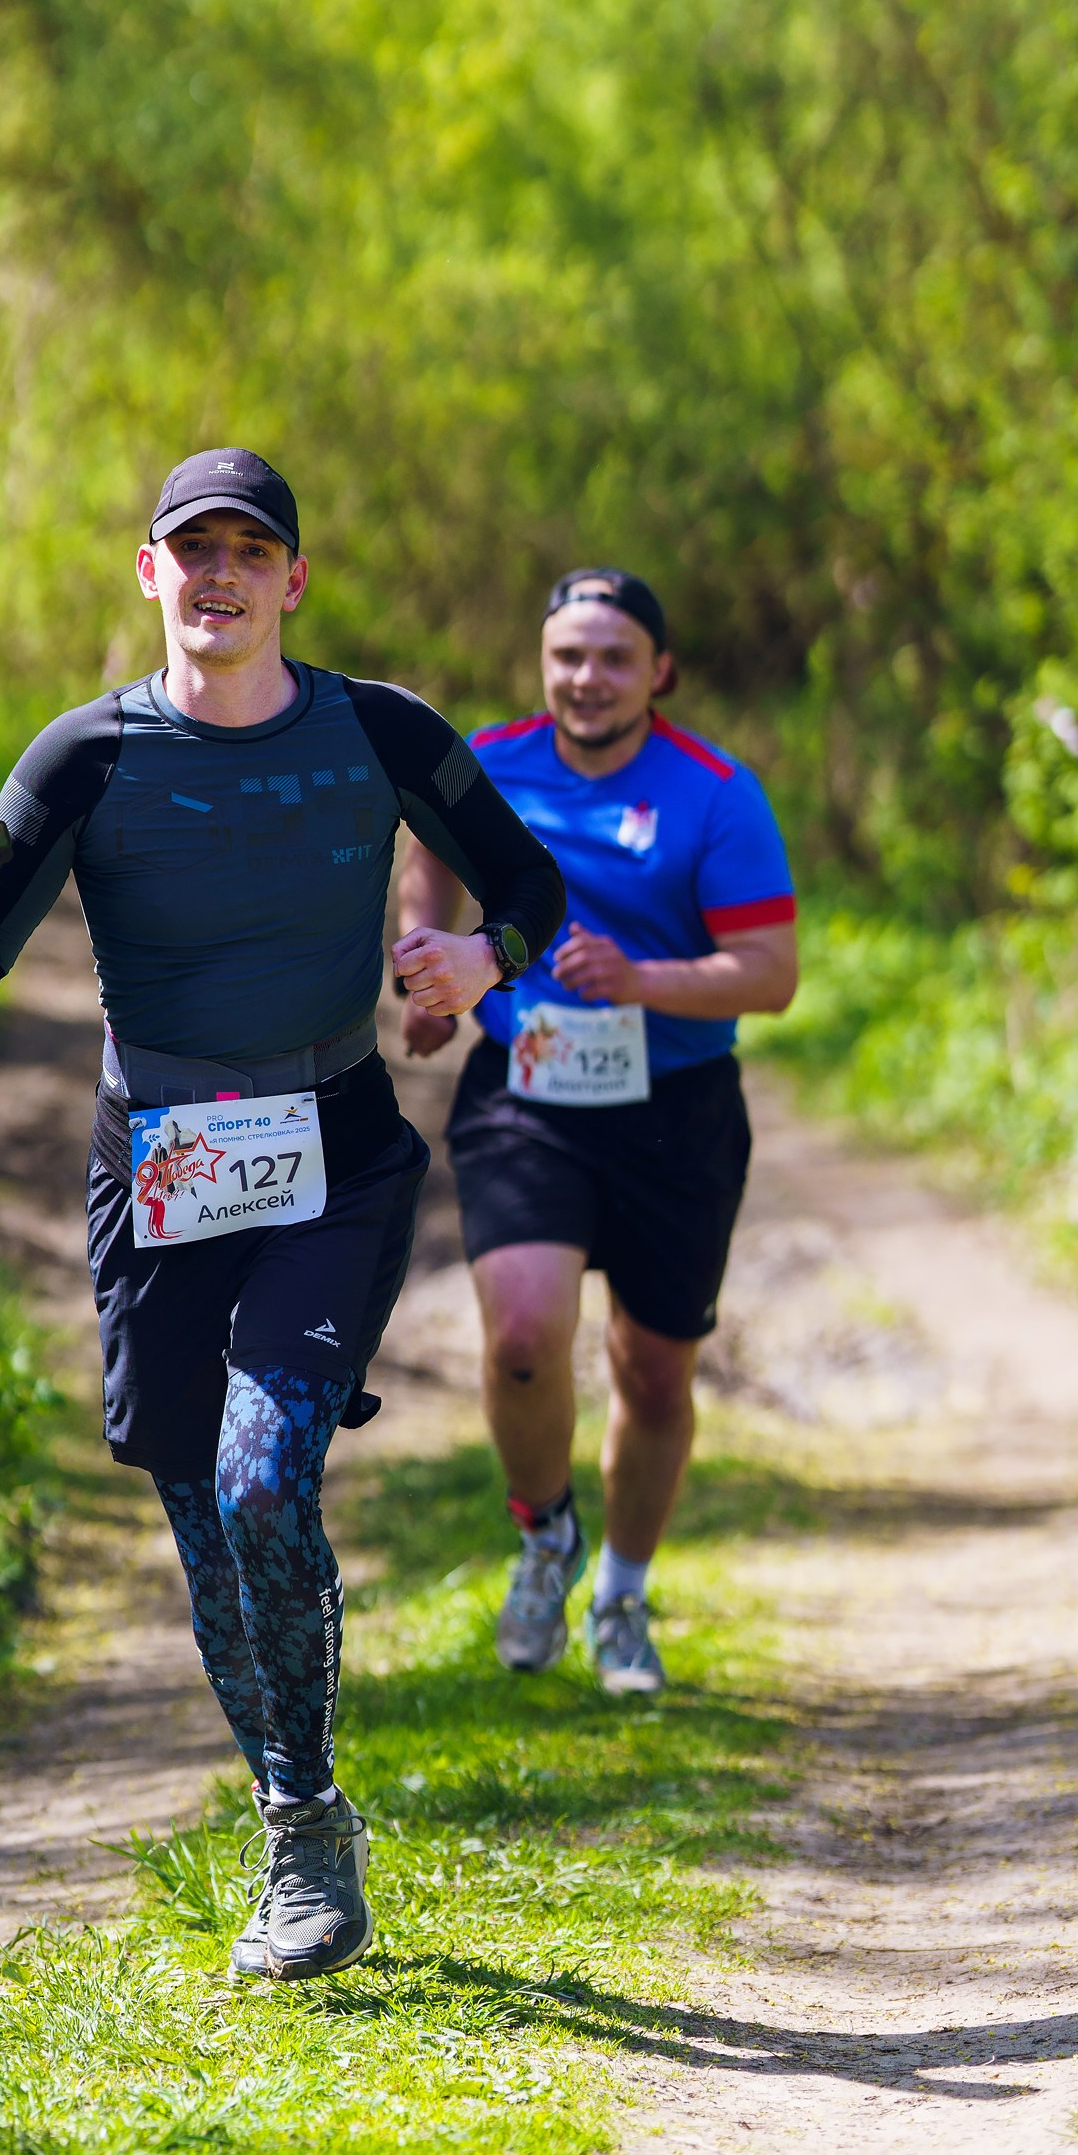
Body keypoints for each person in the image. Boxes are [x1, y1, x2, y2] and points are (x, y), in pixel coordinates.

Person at [0, 449, 563, 1980]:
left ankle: (303, 1826)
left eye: (247, 551)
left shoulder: (381, 730)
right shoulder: (85, 758)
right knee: (203, 1510)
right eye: (188, 550)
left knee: (265, 1472)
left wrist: (481, 961)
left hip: (331, 1148)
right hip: (161, 1170)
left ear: (292, 580)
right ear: (148, 574)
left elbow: (531, 887)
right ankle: (297, 1807)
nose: (217, 576)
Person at [396, 568, 796, 1697]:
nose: (586, 678)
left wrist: (640, 980)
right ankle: (543, 1538)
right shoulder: (486, 760)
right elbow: (423, 846)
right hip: (524, 1094)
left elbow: (770, 976)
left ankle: (620, 1591)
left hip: (675, 1112)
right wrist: (434, 970)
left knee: (652, 1372)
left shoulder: (714, 793)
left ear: (655, 672)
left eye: (613, 657)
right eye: (567, 655)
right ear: (541, 663)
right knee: (522, 1337)